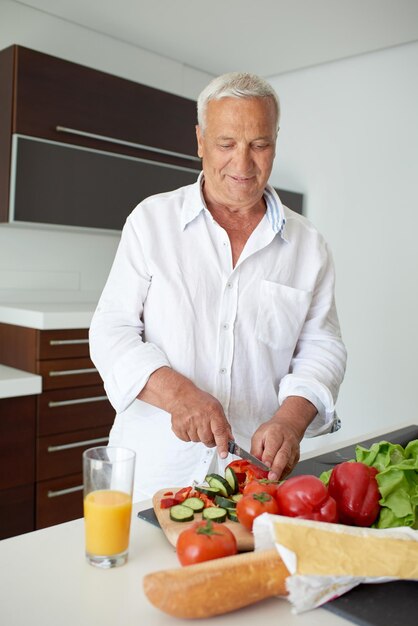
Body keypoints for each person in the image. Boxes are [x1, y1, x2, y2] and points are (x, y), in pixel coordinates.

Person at [89, 72, 347, 501]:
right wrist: (178, 394)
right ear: (200, 140)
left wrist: (291, 419)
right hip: (152, 473)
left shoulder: (309, 246)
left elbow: (323, 346)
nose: (243, 164)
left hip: (252, 482)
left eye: (259, 145)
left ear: (276, 141)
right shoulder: (151, 222)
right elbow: (110, 331)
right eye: (226, 144)